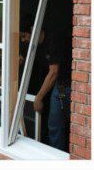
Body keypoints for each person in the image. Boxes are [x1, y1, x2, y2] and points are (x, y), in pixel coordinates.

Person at [19, 22, 71, 152]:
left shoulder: (54, 39)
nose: (23, 39)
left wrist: (38, 98)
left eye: (24, 35)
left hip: (67, 85)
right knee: (54, 127)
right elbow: (23, 58)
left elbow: (53, 72)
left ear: (33, 29)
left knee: (61, 127)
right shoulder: (33, 44)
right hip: (58, 86)